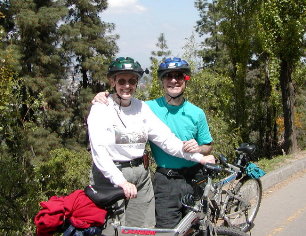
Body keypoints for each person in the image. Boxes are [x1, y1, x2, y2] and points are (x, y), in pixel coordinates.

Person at [87, 57, 215, 231]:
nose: (127, 85)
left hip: (140, 174)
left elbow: (167, 140)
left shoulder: (141, 108)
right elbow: (99, 151)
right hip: (112, 175)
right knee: (113, 229)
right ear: (112, 81)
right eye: (122, 81)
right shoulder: (101, 108)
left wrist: (200, 158)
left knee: (144, 229)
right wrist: (121, 182)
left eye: (132, 81)